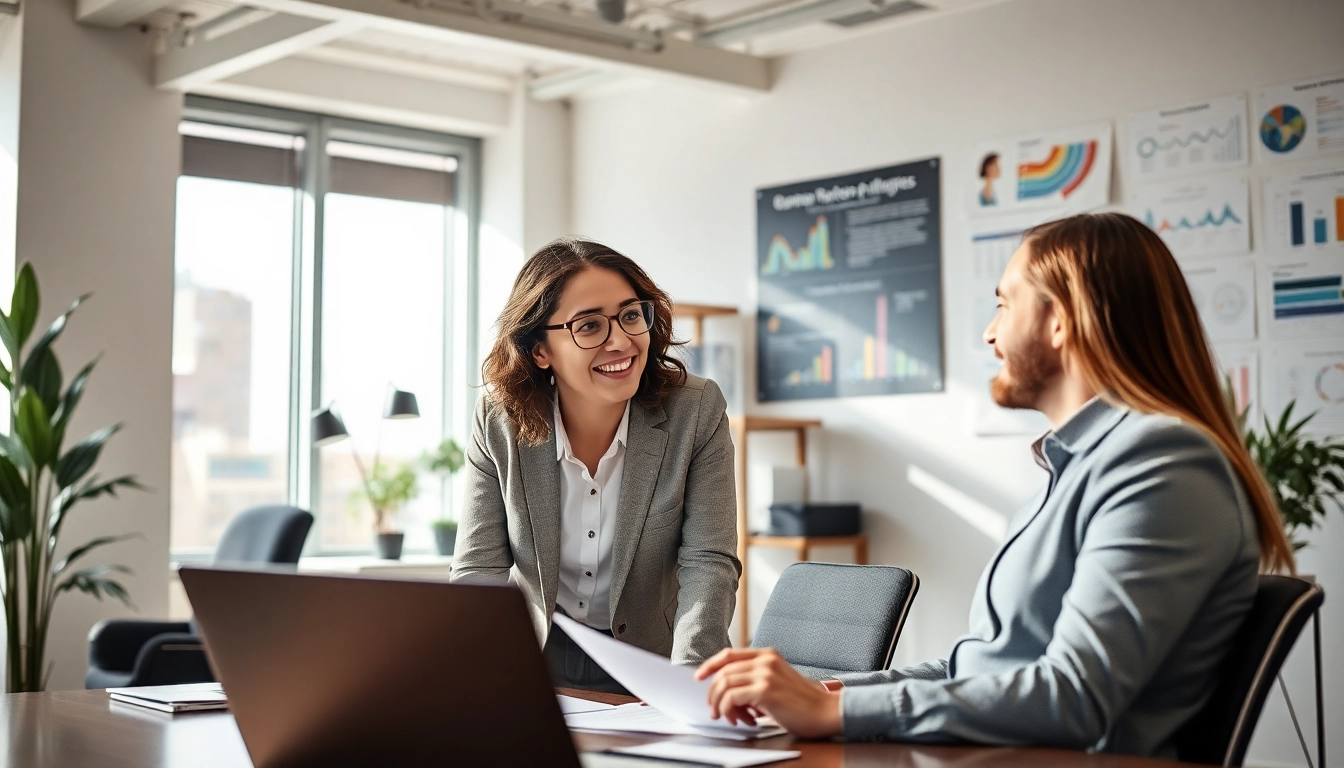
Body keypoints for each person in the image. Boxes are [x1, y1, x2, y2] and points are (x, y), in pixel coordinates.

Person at [695, 212, 1295, 757]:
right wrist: (824, 689)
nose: (989, 332)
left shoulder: (1162, 464)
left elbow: (1074, 697)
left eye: (1005, 305)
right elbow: (976, 667)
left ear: (1059, 321)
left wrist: (839, 709)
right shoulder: (1078, 467)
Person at [451, 236, 740, 694]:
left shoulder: (696, 411)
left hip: (656, 660)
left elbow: (709, 563)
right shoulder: (499, 419)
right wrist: (479, 677)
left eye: (630, 315)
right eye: (589, 326)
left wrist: (689, 687)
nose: (621, 341)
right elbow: (477, 569)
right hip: (536, 657)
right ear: (540, 350)